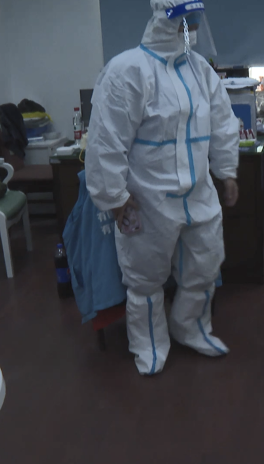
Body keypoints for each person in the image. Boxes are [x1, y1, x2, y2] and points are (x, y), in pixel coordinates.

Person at [85, 0, 238, 375]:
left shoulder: (200, 70)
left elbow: (222, 122)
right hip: (149, 201)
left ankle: (191, 328)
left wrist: (227, 171)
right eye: (187, 19)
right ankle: (149, 344)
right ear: (166, 18)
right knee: (145, 278)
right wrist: (115, 198)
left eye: (196, 18)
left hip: (199, 195)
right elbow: (106, 141)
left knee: (204, 267)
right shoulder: (127, 71)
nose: (193, 26)